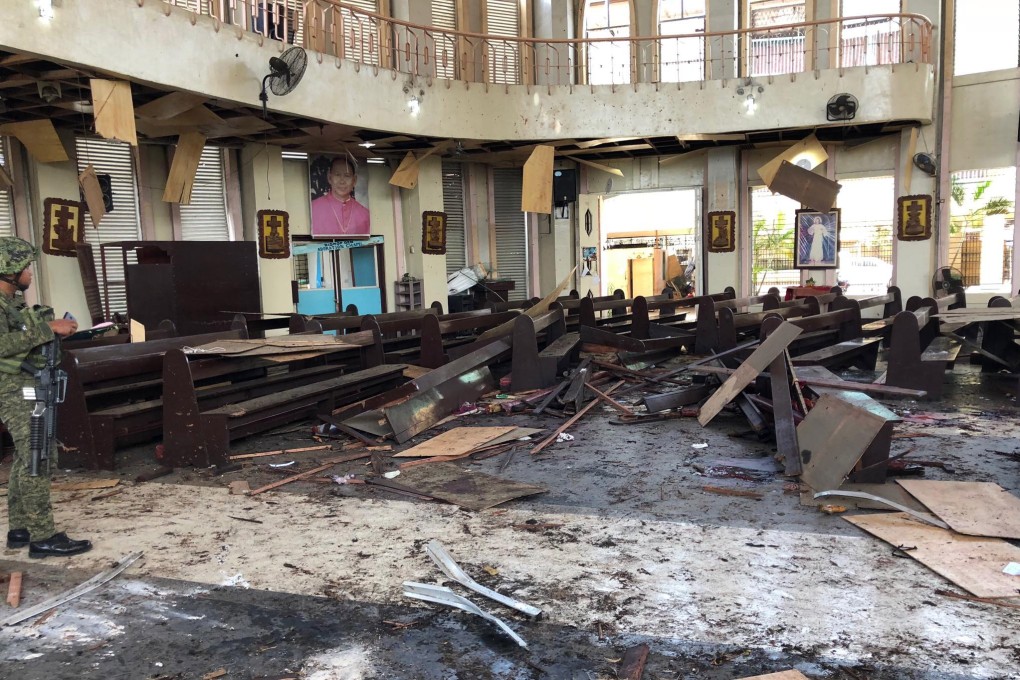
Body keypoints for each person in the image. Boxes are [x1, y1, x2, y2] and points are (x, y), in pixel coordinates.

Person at [0, 237, 92, 558]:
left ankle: (20, 529)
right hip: (12, 390)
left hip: (27, 384)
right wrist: (47, 328)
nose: (29, 273)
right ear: (10, 269)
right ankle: (43, 537)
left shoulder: (11, 304)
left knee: (28, 457)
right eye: (25, 267)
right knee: (36, 456)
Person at [310, 156, 370, 237]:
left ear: (354, 180)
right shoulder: (314, 208)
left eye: (347, 175)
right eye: (337, 175)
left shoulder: (365, 214)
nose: (342, 181)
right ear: (329, 177)